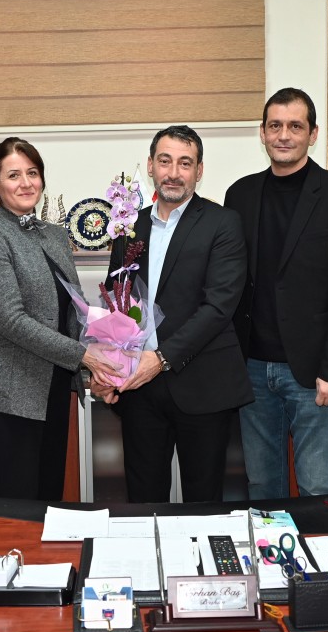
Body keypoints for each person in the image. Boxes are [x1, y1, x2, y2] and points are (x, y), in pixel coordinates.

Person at [225, 88, 328, 498]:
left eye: (295, 126)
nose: (284, 135)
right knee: (261, 484)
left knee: (316, 485)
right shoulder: (239, 195)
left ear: (313, 134)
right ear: (262, 133)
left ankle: (318, 545)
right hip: (252, 368)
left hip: (314, 372)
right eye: (275, 126)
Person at [101, 125, 253, 503]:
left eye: (185, 163)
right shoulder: (129, 226)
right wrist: (110, 365)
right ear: (151, 165)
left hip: (202, 385)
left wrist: (161, 358)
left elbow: (219, 307)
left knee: (203, 502)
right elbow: (116, 299)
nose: (174, 172)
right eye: (165, 161)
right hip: (140, 388)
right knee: (143, 500)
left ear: (199, 171)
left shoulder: (223, 223)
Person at [0, 138, 120, 500]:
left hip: (53, 389)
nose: (25, 183)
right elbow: (12, 321)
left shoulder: (54, 235)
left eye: (32, 173)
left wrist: (96, 372)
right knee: (17, 508)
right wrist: (85, 357)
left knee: (49, 499)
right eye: (13, 175)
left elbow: (73, 313)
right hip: (10, 396)